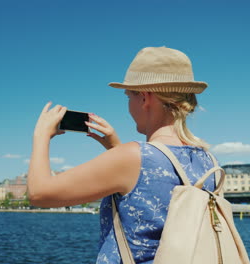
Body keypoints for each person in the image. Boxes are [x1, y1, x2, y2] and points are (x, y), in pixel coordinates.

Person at [27, 47, 217, 264]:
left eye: (129, 96)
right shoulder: (208, 160)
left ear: (145, 98)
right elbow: (148, 190)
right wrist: (116, 147)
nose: (128, 105)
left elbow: (39, 194)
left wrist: (41, 135)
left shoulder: (132, 157)